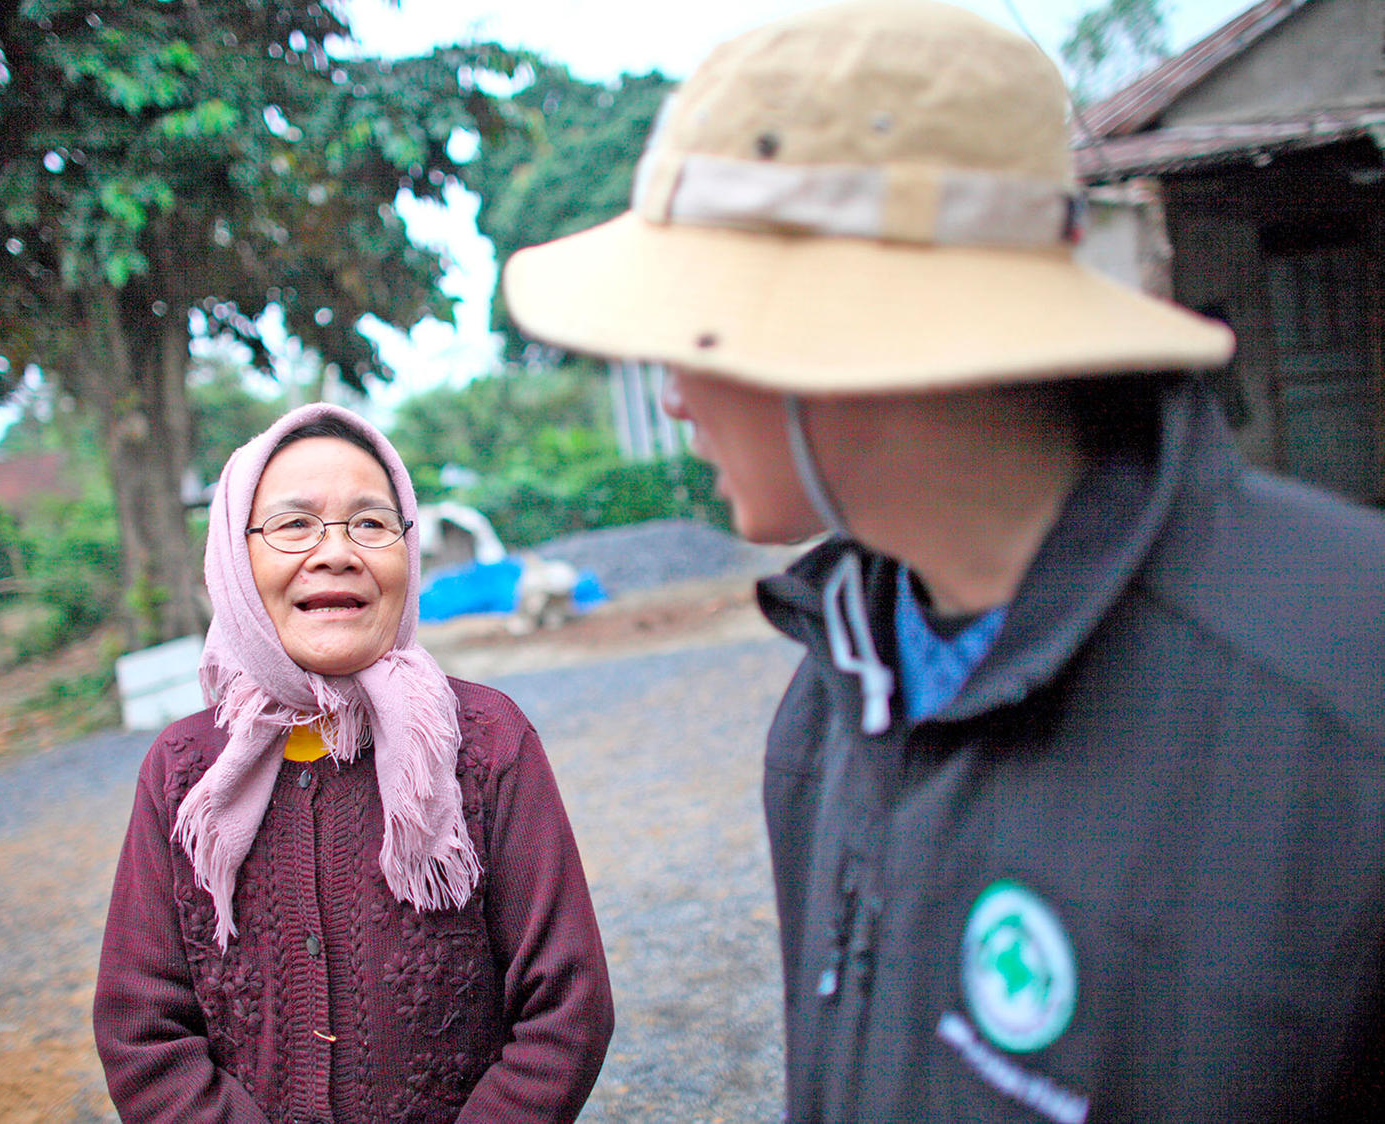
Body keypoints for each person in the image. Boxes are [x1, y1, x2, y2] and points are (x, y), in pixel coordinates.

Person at [501, 2, 1385, 1121]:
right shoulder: (833, 698)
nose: (672, 394)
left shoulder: (1343, 700)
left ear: (841, 328)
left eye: (693, 329)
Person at [93, 403, 614, 1122]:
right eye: (293, 524)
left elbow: (567, 1011)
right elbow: (143, 1034)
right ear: (233, 561)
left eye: (371, 524)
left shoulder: (489, 742)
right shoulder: (183, 769)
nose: (336, 552)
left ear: (408, 553)